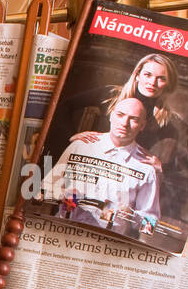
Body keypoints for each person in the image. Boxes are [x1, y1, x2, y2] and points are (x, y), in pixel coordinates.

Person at [44, 97, 161, 238]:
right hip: (61, 232)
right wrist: (63, 194)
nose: (124, 123)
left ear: (142, 125)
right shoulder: (81, 145)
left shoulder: (146, 167)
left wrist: (131, 215)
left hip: (105, 242)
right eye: (120, 115)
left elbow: (150, 223)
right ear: (111, 115)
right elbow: (45, 188)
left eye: (134, 119)